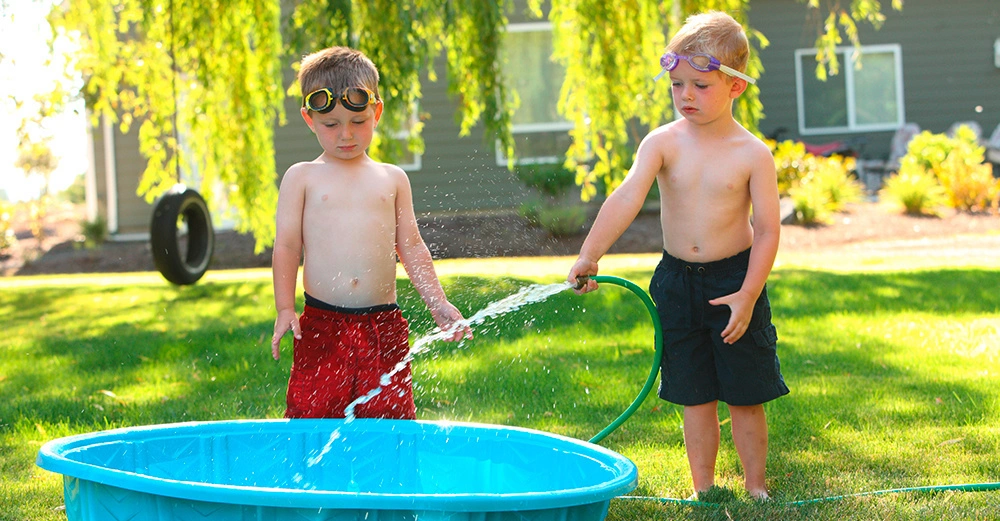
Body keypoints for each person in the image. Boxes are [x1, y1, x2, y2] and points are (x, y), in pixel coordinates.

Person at [567, 11, 788, 500]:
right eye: (677, 85)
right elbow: (626, 197)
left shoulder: (752, 154)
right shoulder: (662, 143)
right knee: (694, 393)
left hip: (734, 279)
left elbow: (768, 229)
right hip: (676, 281)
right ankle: (703, 487)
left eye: (699, 86)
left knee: (746, 392)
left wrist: (748, 295)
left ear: (735, 87)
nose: (686, 95)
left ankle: (756, 487)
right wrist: (590, 254)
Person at [271, 46, 472, 420]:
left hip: (383, 326)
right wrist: (285, 307)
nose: (345, 135)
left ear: (376, 112)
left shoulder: (392, 179)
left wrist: (438, 303)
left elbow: (411, 245)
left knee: (389, 420)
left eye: (358, 121)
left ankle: (389, 479)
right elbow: (286, 246)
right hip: (322, 324)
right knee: (312, 419)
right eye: (331, 125)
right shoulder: (302, 178)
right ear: (309, 119)